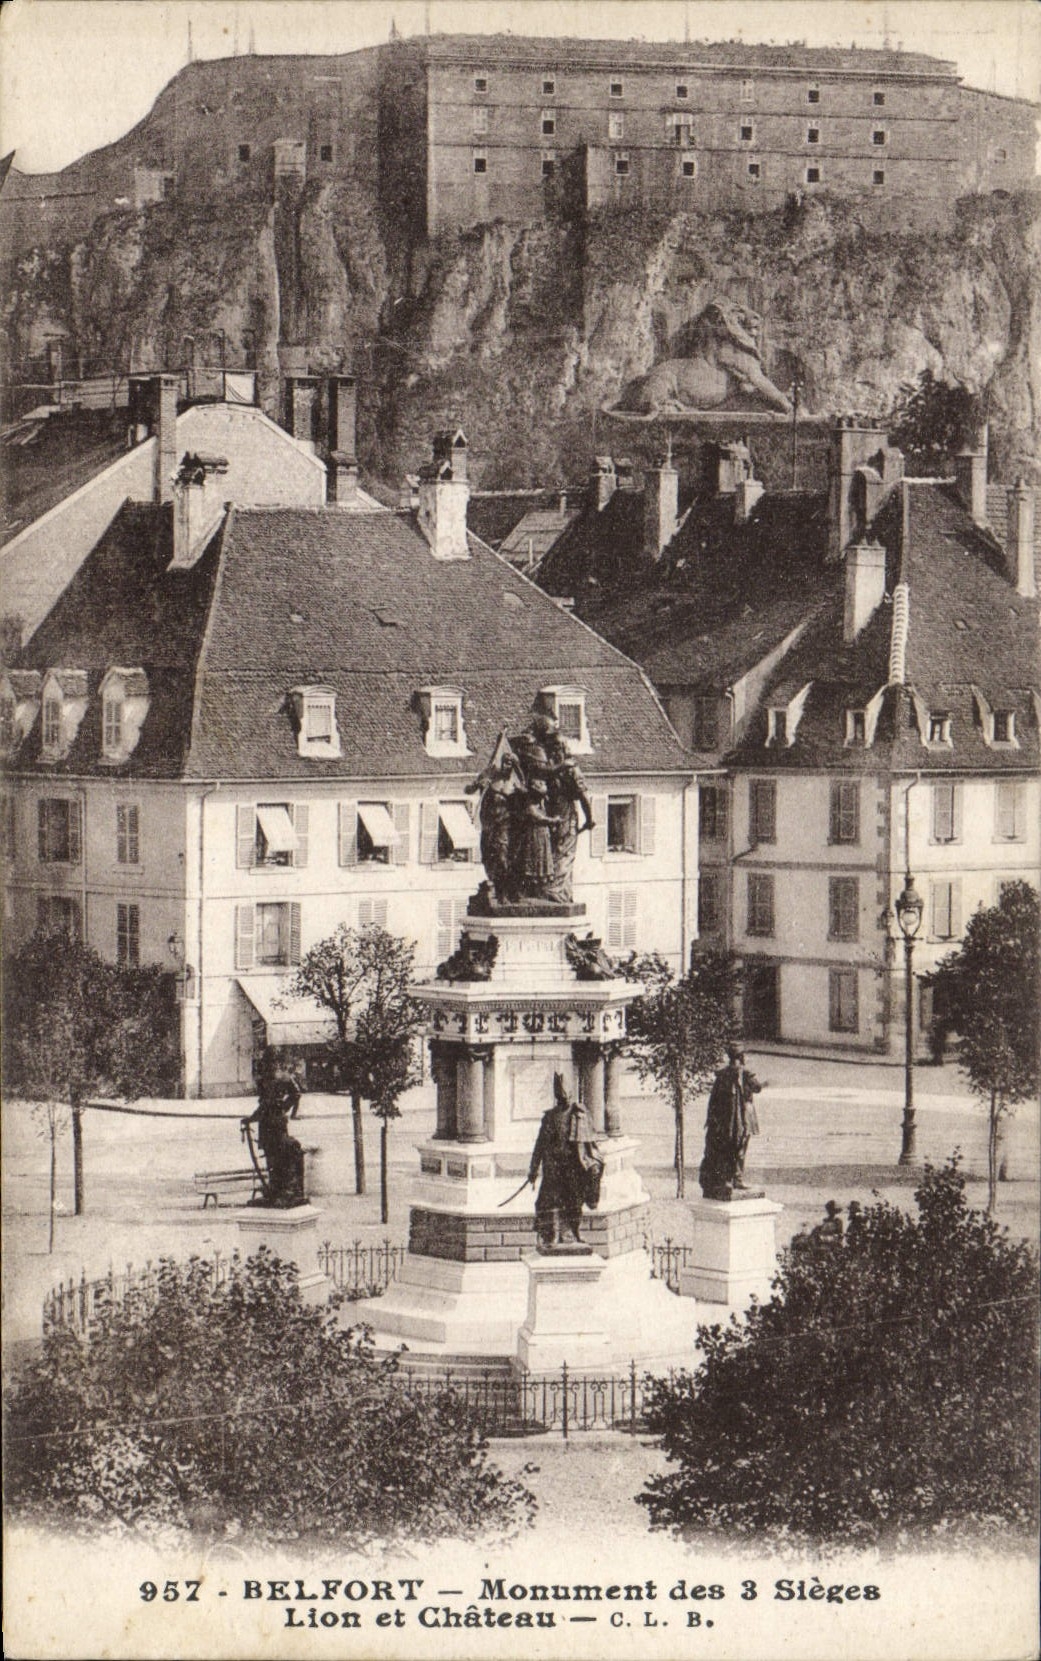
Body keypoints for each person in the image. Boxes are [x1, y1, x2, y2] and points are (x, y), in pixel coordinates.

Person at [528, 1073, 602, 1250]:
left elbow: (591, 1143)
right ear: (557, 1097)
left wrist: (594, 1163)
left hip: (574, 1167)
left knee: (574, 1202)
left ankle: (575, 1233)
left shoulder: (580, 1115)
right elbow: (540, 1145)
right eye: (561, 1095)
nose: (565, 1098)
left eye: (567, 1094)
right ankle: (551, 1235)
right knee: (551, 1202)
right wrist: (533, 1169)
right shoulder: (550, 1117)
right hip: (553, 1167)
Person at [699, 1046, 764, 1200]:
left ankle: (732, 1180)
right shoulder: (737, 1075)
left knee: (732, 1148)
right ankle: (732, 1179)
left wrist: (711, 1119)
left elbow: (713, 1100)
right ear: (741, 1057)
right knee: (736, 1148)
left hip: (734, 1121)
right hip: (734, 1121)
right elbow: (758, 1088)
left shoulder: (728, 1075)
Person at [243, 1046, 305, 1205]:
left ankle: (280, 1190)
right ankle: (276, 1190)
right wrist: (284, 1107)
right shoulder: (283, 1077)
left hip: (270, 1122)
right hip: (274, 1121)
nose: (269, 1064)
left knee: (276, 1156)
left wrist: (253, 1118)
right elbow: (296, 1094)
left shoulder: (268, 1079)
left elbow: (266, 1105)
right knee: (274, 1156)